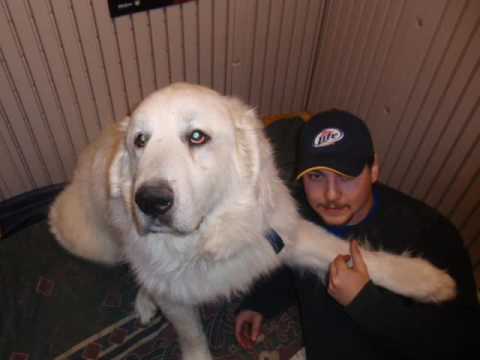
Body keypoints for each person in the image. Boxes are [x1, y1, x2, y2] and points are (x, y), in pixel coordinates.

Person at [234, 110, 479, 359]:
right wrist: (261, 303)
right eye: (316, 176)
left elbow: (459, 344)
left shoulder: (432, 234)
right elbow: (290, 260)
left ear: (373, 169)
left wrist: (365, 302)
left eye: (346, 176)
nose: (331, 195)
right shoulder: (297, 210)